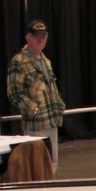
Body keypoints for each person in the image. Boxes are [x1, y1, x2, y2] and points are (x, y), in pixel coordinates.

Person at [7, 20, 66, 173]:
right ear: (28, 37)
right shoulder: (19, 61)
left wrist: (59, 105)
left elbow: (51, 87)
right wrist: (33, 110)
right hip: (36, 124)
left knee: (52, 164)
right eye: (37, 36)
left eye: (44, 36)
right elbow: (14, 93)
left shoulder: (45, 61)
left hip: (52, 120)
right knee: (37, 166)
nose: (41, 39)